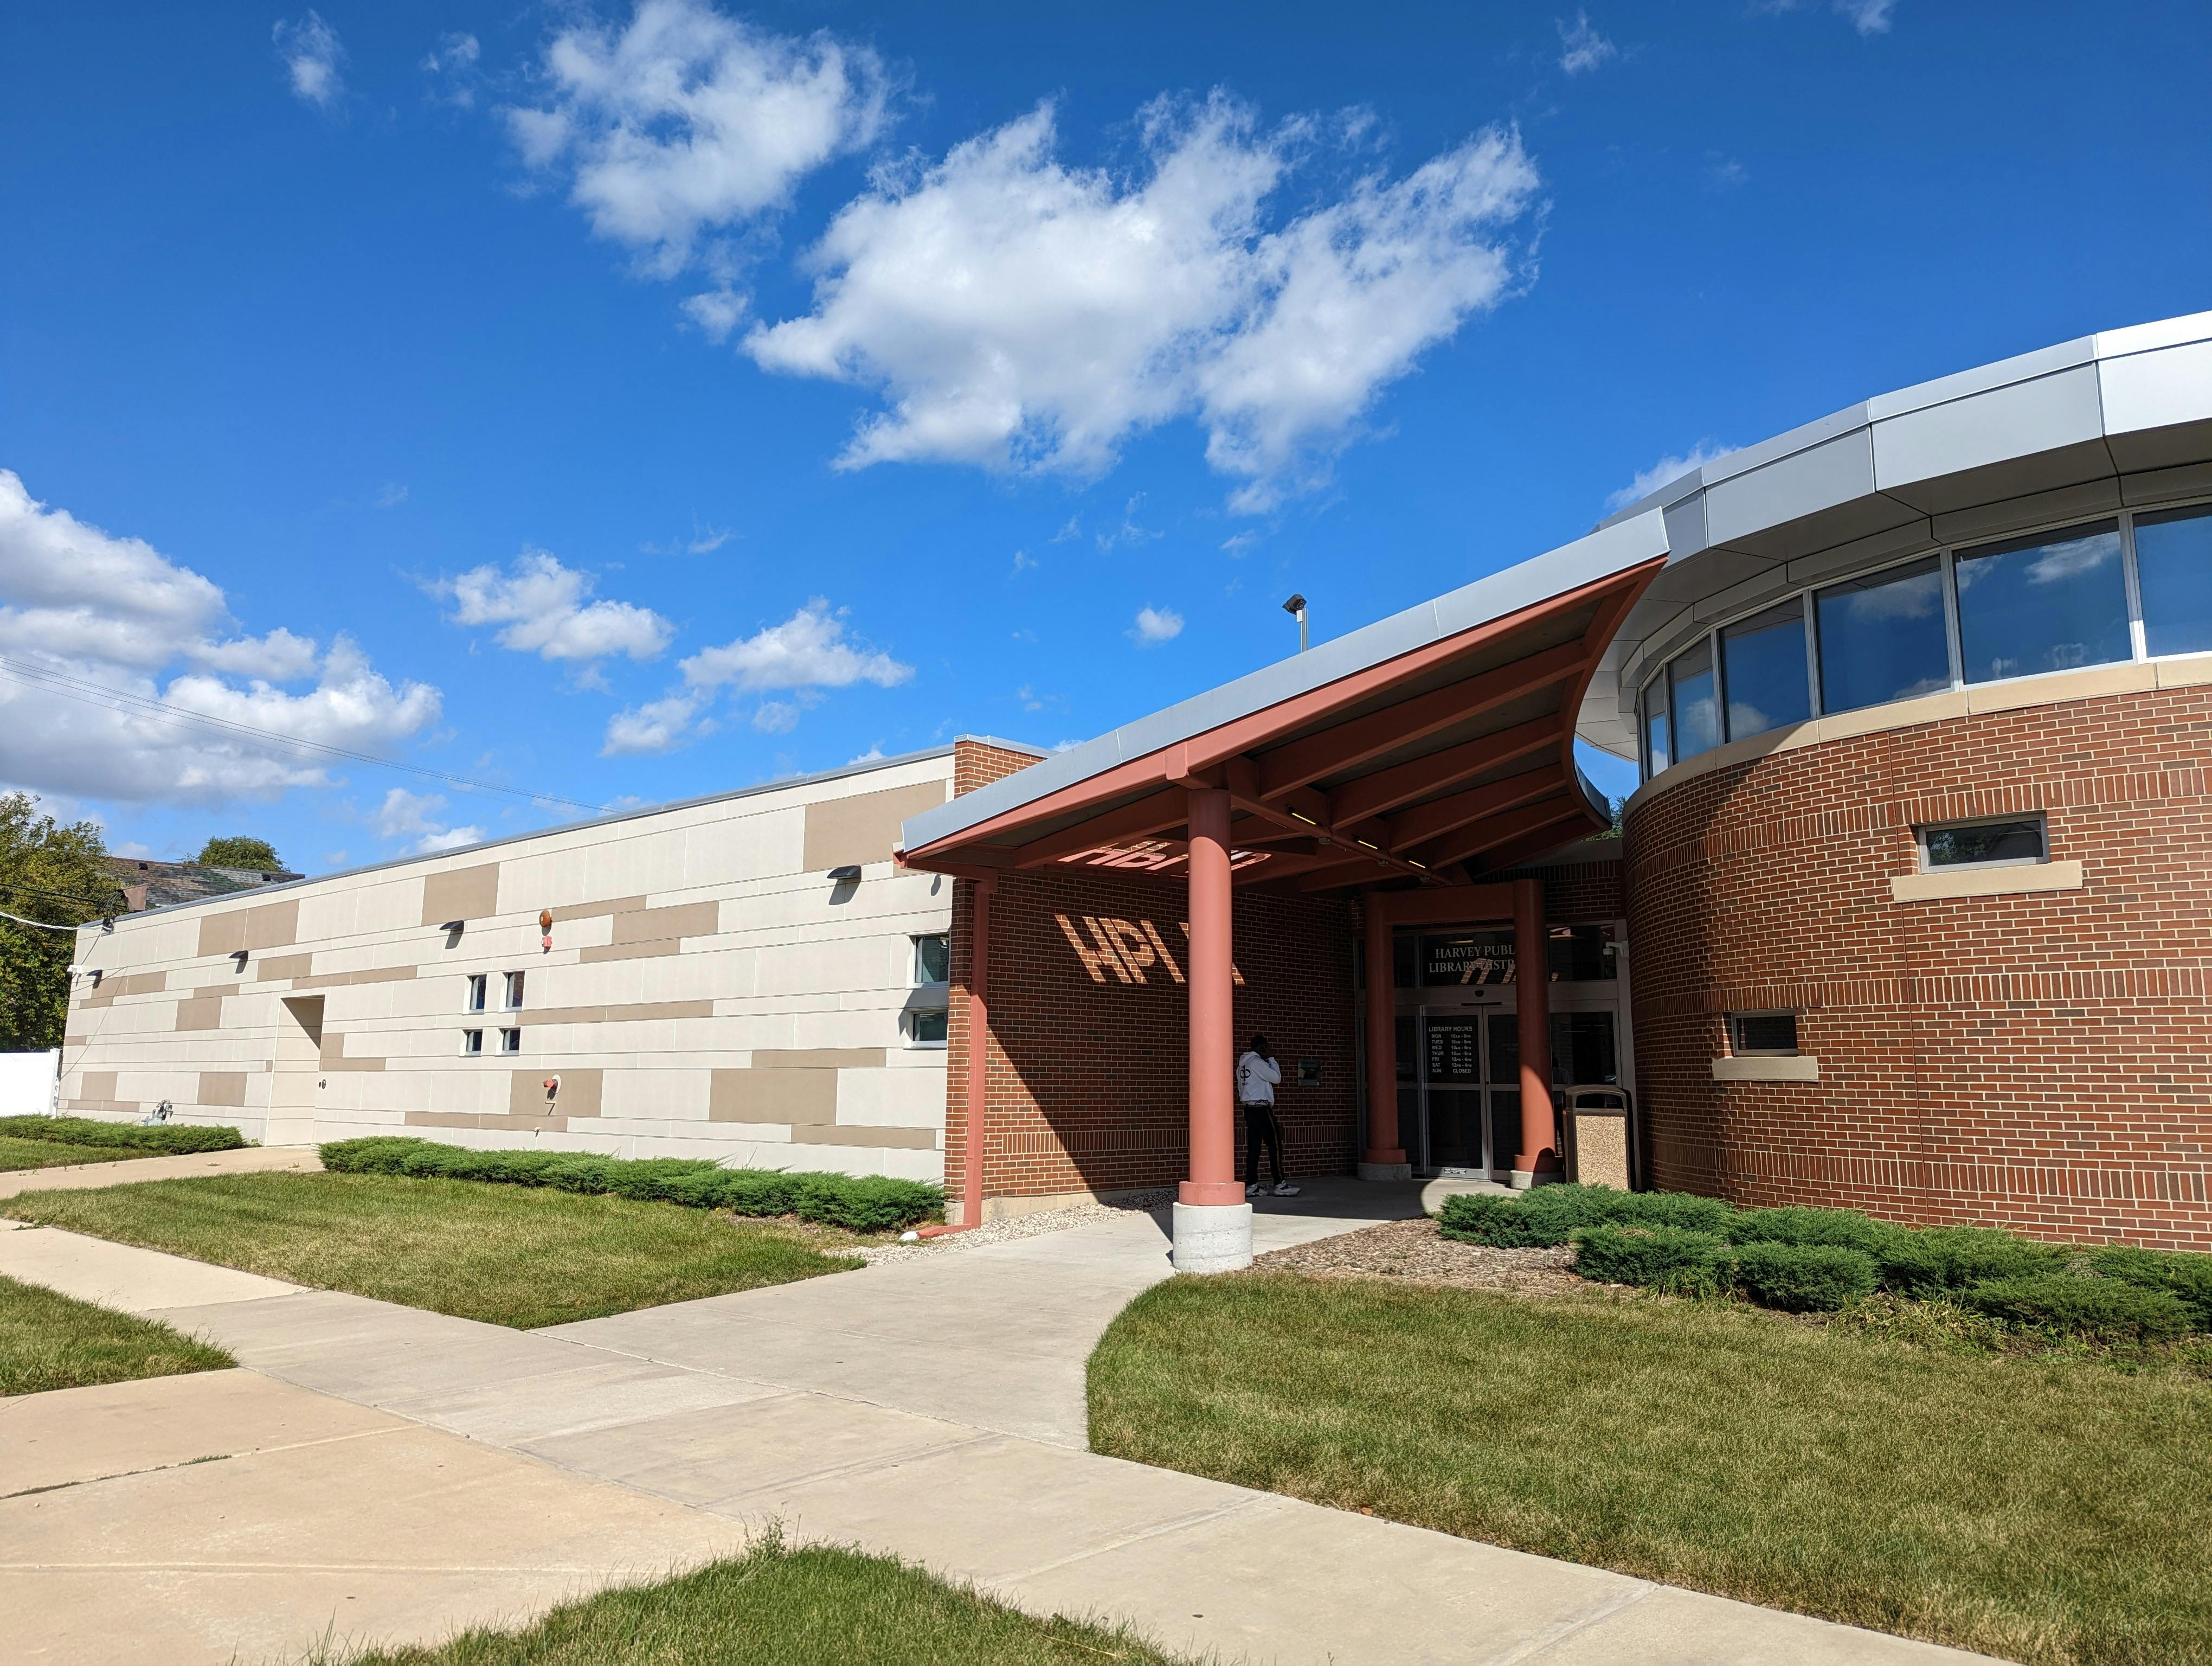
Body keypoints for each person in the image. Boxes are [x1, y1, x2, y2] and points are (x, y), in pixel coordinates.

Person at [1236, 1033, 1298, 1197]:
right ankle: (1280, 1184)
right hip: (1261, 1108)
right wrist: (1271, 1059)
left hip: (1249, 1109)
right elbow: (1277, 1078)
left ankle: (1252, 1185)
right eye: (1267, 1046)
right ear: (1263, 1047)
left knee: (1254, 1148)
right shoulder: (1257, 1062)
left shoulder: (1242, 1064)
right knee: (1275, 1144)